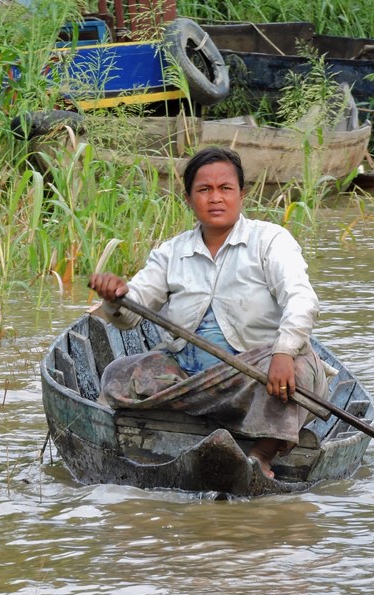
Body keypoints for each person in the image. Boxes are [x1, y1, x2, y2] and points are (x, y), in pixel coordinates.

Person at [88, 146, 328, 479]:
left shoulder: (271, 241)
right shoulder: (172, 252)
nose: (215, 198)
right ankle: (160, 433)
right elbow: (132, 312)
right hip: (190, 377)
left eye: (225, 188)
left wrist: (284, 352)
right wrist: (116, 298)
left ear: (241, 194)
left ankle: (262, 453)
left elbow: (301, 299)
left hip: (255, 373)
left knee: (298, 372)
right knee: (118, 374)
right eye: (204, 190)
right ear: (188, 198)